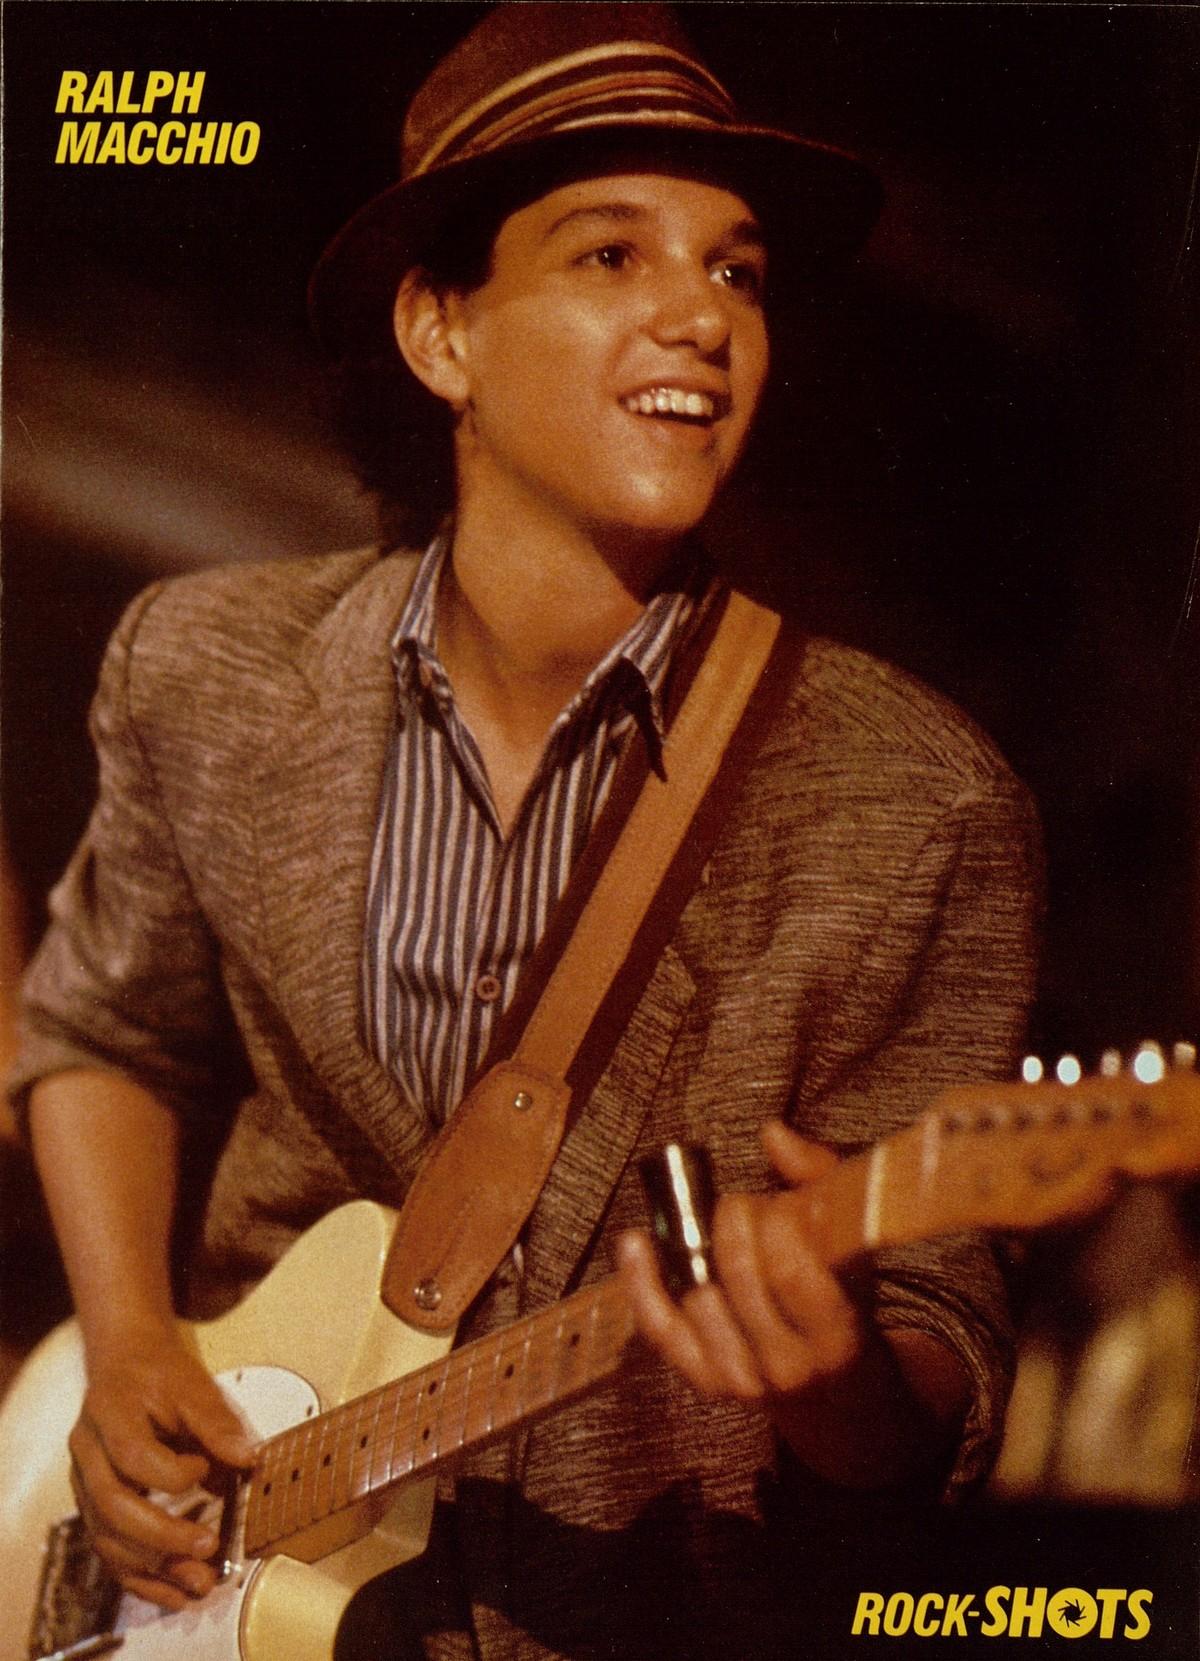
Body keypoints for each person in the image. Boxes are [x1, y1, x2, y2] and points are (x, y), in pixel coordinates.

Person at [11, 6, 1040, 1656]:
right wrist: (127, 1341)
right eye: (611, 255)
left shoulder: (923, 801)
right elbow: (100, 1028)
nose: (700, 317)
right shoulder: (205, 669)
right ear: (442, 334)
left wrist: (833, 1373)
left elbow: (929, 1374)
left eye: (738, 272)